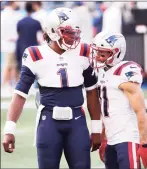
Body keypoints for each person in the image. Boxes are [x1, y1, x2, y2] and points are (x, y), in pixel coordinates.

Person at [2, 7, 102, 169]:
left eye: (74, 32)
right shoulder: (35, 54)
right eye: (67, 32)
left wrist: (97, 128)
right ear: (53, 32)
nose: (73, 37)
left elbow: (92, 91)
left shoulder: (84, 51)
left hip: (77, 121)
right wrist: (9, 129)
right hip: (48, 122)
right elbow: (20, 94)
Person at [89, 31, 147, 169]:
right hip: (111, 139)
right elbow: (106, 111)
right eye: (97, 53)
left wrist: (144, 143)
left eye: (103, 54)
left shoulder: (125, 72)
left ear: (116, 53)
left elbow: (140, 110)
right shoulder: (102, 73)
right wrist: (103, 138)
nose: (98, 57)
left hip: (127, 138)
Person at [1, 1, 23, 97]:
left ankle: (10, 85)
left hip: (12, 44)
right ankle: (4, 86)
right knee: (8, 65)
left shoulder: (12, 14)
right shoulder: (6, 14)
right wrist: (9, 37)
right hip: (9, 44)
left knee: (13, 65)